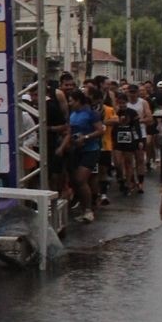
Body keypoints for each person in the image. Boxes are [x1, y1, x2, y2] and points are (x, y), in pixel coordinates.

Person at [66, 89, 103, 224]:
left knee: (81, 179)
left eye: (71, 101)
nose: (69, 103)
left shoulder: (91, 114)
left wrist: (86, 137)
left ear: (78, 101)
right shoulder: (72, 114)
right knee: (75, 181)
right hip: (76, 151)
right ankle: (83, 208)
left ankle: (88, 210)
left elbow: (100, 130)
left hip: (91, 150)